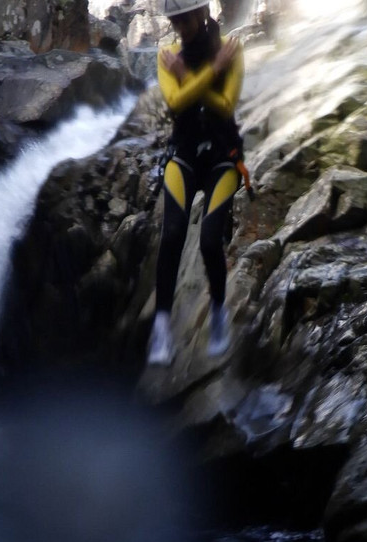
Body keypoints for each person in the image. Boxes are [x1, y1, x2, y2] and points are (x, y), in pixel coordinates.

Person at [147, 0, 246, 366]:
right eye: (174, 19)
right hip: (184, 154)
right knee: (172, 235)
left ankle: (218, 312)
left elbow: (226, 104)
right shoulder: (167, 54)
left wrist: (192, 75)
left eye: (184, 18)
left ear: (202, 14)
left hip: (223, 157)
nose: (179, 26)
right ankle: (161, 326)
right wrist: (207, 74)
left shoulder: (231, 51)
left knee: (208, 240)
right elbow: (175, 103)